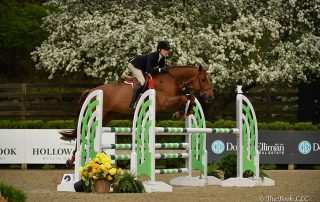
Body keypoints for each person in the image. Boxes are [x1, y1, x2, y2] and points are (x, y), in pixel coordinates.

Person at [128, 40, 171, 109]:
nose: (167, 52)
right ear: (159, 49)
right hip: (135, 65)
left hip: (142, 68)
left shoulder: (162, 58)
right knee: (142, 80)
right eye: (165, 50)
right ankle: (132, 103)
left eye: (168, 50)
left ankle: (149, 94)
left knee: (152, 79)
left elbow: (161, 70)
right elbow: (149, 70)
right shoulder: (153, 56)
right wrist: (160, 70)